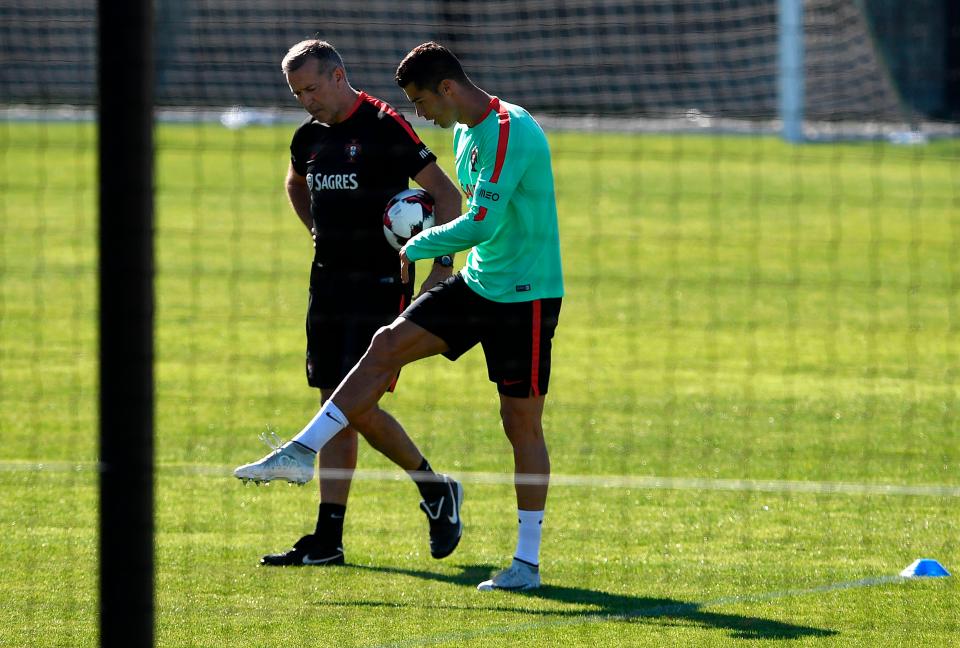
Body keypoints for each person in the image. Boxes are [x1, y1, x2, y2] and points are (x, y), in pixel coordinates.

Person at [235, 41, 564, 592]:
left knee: (520, 425)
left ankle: (525, 563)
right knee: (384, 345)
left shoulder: (510, 132)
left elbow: (479, 222)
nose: (418, 113)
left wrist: (415, 247)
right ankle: (300, 453)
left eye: (420, 100)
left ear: (448, 89)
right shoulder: (462, 132)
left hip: (525, 295)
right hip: (479, 282)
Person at [235, 39, 464, 567]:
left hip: (381, 286)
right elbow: (295, 183)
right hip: (327, 283)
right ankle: (329, 538)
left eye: (312, 88)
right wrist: (315, 230)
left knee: (353, 404)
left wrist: (441, 267)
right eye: (297, 92)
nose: (306, 100)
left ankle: (434, 487)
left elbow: (449, 198)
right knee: (332, 404)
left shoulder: (385, 125)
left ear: (339, 76)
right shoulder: (308, 138)